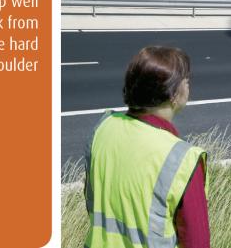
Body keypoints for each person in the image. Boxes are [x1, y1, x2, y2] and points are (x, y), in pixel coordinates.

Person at [84, 46, 210, 248]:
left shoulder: (103, 128)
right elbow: (198, 243)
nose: (189, 85)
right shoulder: (182, 159)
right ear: (173, 93)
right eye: (187, 80)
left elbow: (92, 203)